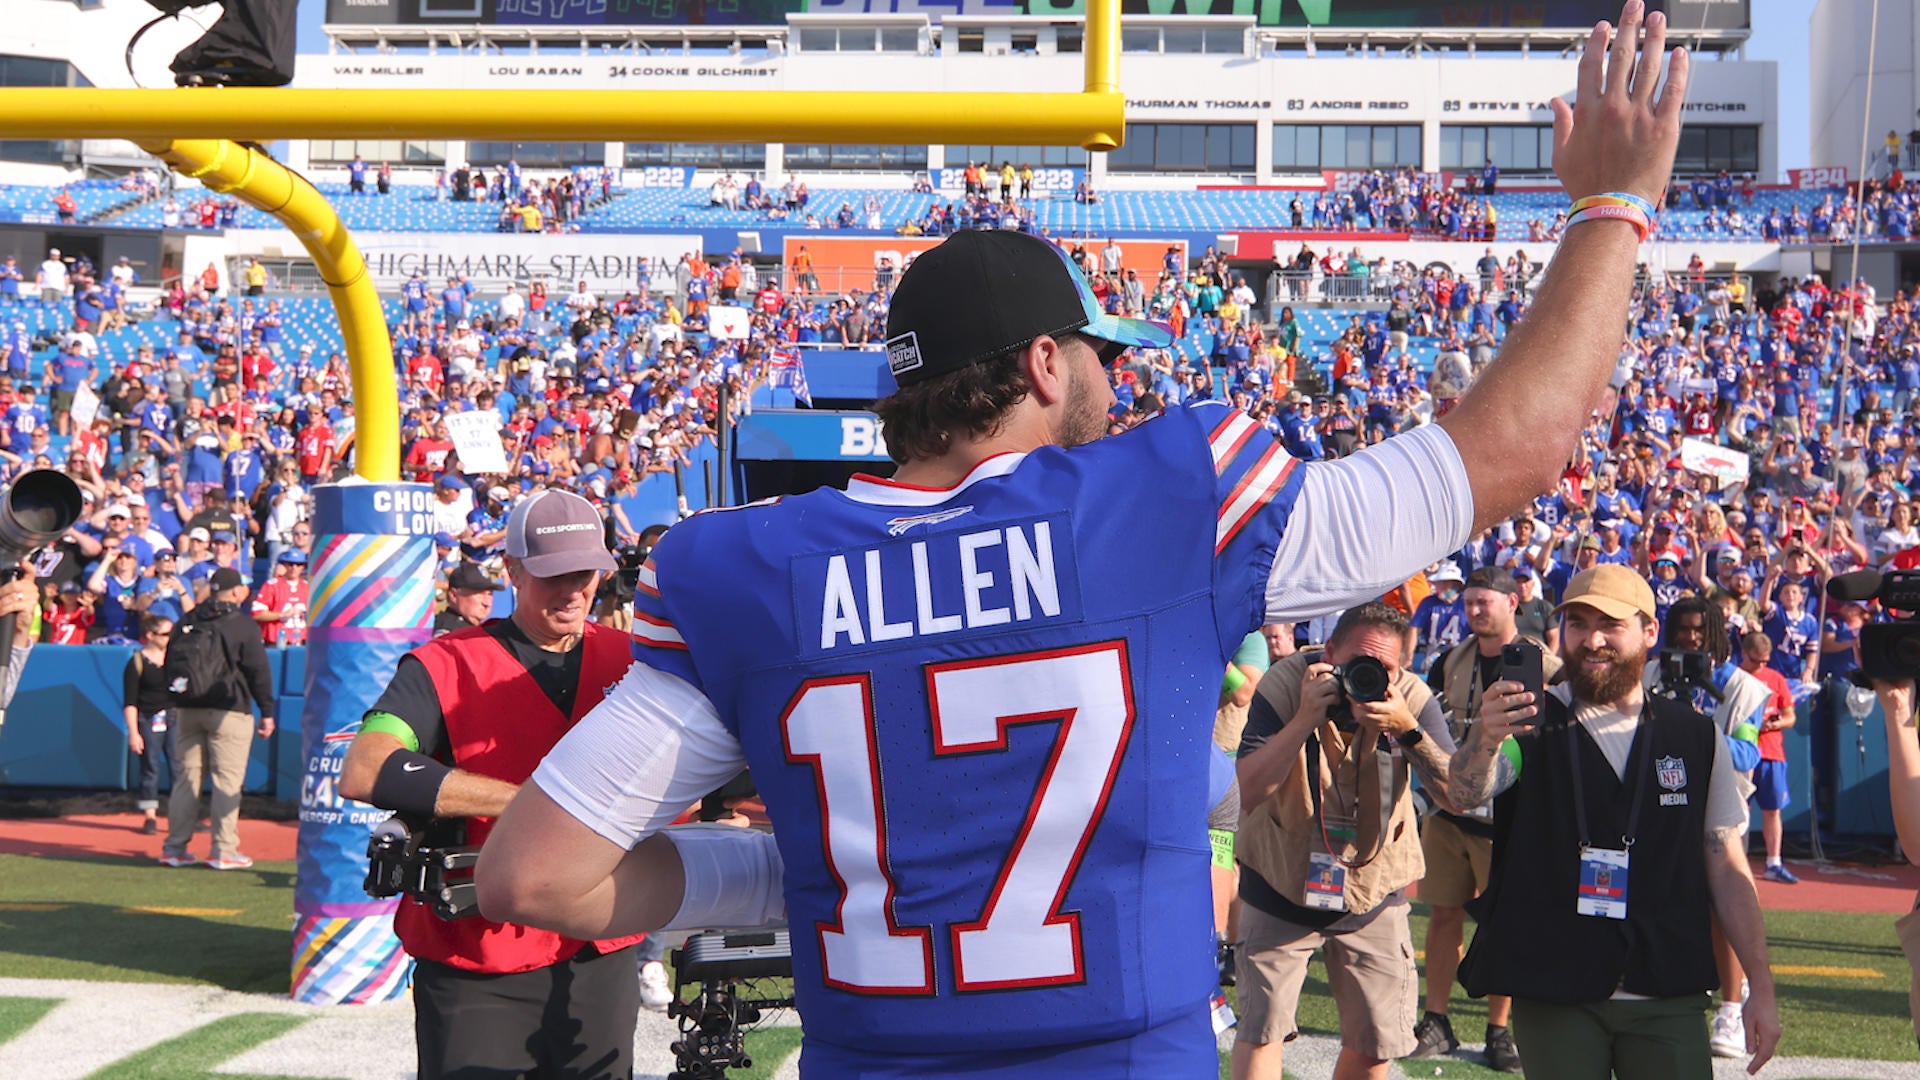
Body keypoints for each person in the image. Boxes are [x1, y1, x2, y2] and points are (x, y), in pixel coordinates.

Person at [476, 8, 1692, 1072]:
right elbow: (1514, 451)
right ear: (1046, 364)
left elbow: (532, 878)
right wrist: (1611, 205)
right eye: (1101, 353)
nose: (1117, 379)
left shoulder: (751, 567)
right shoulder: (1172, 499)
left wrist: (795, 879)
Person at [337, 489, 646, 1080]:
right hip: (478, 955)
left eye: (586, 572)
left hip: (599, 946)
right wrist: (534, 805)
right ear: (512, 572)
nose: (575, 589)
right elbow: (365, 766)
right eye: (554, 573)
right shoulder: (441, 664)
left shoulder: (636, 660)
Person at [1449, 565, 1781, 1076]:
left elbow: (1726, 864)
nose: (1593, 639)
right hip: (1556, 985)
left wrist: (1760, 986)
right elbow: (1466, 790)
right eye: (1578, 623)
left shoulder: (1693, 736)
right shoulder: (1528, 724)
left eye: (1610, 624)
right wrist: (1485, 739)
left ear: (1649, 631)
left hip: (1665, 986)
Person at [1231, 602, 1459, 1080]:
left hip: (1374, 885)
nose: (1368, 675)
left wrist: (1407, 728)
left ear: (1403, 666)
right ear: (1329, 650)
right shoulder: (1287, 682)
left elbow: (1455, 795)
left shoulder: (1411, 696)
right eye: (1357, 662)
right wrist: (1302, 720)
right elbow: (1248, 791)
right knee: (1261, 1030)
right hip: (1280, 874)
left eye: (1385, 668)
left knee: (1377, 1041)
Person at [1414, 567, 1563, 1071]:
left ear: (1512, 603)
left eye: (1485, 602)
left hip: (1510, 818)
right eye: (1470, 602)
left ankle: (1500, 1030)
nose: (1475, 610)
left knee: (1506, 922)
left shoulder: (1548, 666)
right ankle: (1436, 1021)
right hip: (1451, 811)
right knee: (1442, 915)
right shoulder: (1449, 661)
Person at [1652, 594, 1772, 1058]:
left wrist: (1696, 728)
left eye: (1700, 629)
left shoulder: (1742, 687)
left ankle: (1728, 1006)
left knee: (1722, 911)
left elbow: (1747, 753)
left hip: (1718, 808)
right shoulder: (1651, 674)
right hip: (1660, 804)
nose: (1691, 637)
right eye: (1682, 628)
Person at [159, 566, 277, 871]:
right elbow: (258, 672)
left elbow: (169, 663)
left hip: (187, 708)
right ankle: (224, 850)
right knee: (227, 781)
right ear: (237, 592)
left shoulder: (188, 619)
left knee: (186, 780)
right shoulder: (241, 624)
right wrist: (267, 711)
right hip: (229, 709)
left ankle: (174, 848)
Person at [123, 614, 176, 835]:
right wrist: (134, 733)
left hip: (174, 717)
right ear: (150, 636)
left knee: (180, 767)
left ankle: (181, 817)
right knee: (150, 767)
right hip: (148, 718)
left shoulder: (176, 659)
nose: (169, 639)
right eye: (165, 634)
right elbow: (130, 702)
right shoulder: (137, 662)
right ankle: (150, 817)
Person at [433, 561, 499, 636]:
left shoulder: (482, 629)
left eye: (490, 594)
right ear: (454, 595)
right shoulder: (450, 634)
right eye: (479, 594)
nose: (487, 603)